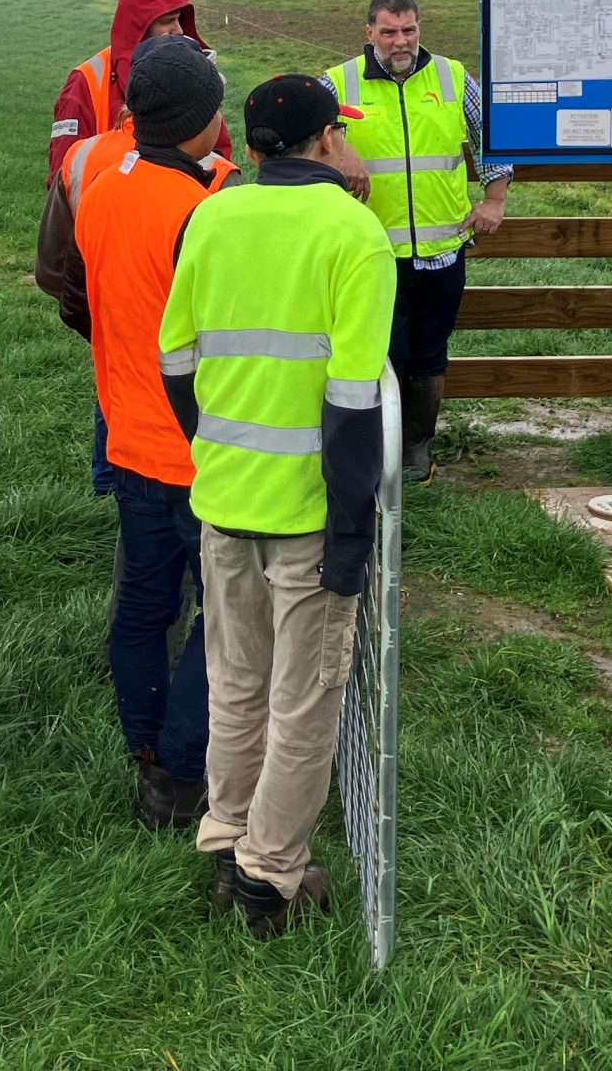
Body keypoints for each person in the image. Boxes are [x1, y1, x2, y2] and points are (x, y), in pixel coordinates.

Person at [160, 75, 395, 936]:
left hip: (223, 500)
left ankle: (228, 839)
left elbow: (176, 363)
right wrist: (350, 523)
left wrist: (217, 450)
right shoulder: (355, 235)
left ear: (253, 144)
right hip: (307, 516)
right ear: (327, 139)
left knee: (236, 683)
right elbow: (353, 400)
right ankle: (269, 877)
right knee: (304, 701)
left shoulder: (211, 215)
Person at [43, 37, 235, 828]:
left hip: (128, 433)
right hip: (198, 447)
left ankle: (146, 752)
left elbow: (79, 296)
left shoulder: (104, 180)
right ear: (201, 120)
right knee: (223, 616)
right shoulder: (203, 210)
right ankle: (183, 769)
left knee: (145, 605)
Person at [325, 0, 510, 482]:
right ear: (369, 34)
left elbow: (493, 136)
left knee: (429, 353)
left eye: (409, 30)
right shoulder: (337, 82)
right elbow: (308, 135)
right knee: (381, 355)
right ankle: (375, 449)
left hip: (442, 250)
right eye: (389, 31)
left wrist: (494, 200)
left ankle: (415, 449)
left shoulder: (452, 77)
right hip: (372, 253)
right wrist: (342, 147)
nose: (400, 41)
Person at [46, 0, 201, 184]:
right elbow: (65, 177)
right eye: (168, 21)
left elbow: (217, 155)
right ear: (139, 28)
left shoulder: (195, 75)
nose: (180, 30)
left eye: (180, 20)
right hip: (106, 212)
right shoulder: (86, 82)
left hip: (179, 209)